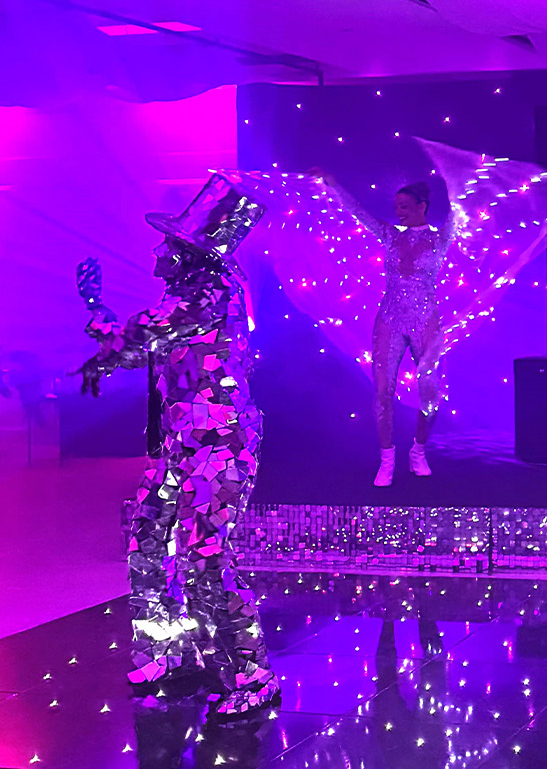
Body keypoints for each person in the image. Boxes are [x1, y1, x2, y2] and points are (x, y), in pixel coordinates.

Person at [76, 173, 278, 715]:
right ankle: (164, 649)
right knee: (146, 538)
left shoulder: (209, 295)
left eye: (168, 244)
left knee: (205, 558)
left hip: (219, 445)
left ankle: (252, 676)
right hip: (178, 444)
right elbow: (137, 345)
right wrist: (97, 313)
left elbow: (142, 334)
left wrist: (102, 327)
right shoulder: (187, 298)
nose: (157, 252)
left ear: (193, 256)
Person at [312, 173, 459, 487]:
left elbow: (462, 207)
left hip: (425, 320)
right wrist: (333, 184)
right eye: (396, 206)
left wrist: (461, 177)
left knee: (430, 390)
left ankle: (418, 451)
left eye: (404, 206)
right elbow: (357, 211)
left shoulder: (441, 238)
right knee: (382, 391)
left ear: (422, 206)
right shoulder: (390, 235)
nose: (398, 211)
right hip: (389, 319)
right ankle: (387, 459)